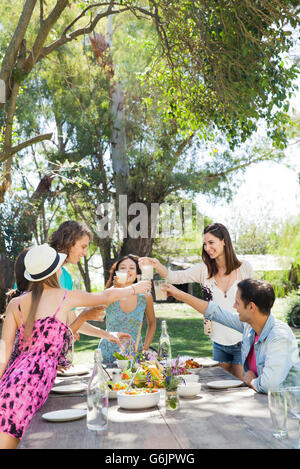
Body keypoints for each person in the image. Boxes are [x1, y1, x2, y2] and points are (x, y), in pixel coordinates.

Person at [0, 244, 151, 449]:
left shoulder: (15, 303)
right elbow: (104, 297)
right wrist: (133, 288)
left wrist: (108, 335)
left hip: (13, 379)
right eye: (60, 265)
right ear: (55, 271)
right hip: (32, 383)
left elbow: (3, 351)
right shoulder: (64, 296)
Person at [139, 223, 254, 379]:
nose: (207, 248)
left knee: (243, 387)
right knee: (222, 387)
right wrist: (156, 265)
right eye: (205, 244)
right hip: (219, 342)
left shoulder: (244, 268)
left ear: (224, 241)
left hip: (243, 341)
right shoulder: (203, 270)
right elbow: (174, 277)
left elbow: (253, 302)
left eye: (211, 242)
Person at [162, 279, 300, 394]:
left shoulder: (279, 337)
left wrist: (250, 380)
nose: (234, 306)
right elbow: (215, 312)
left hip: (286, 412)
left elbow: (270, 385)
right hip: (260, 403)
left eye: (237, 303)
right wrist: (179, 294)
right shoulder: (250, 326)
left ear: (251, 307)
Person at [99, 254, 156, 365]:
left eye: (132, 268)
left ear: (137, 273)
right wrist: (116, 288)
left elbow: (152, 323)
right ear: (116, 273)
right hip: (108, 353)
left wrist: (145, 349)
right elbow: (96, 311)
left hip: (134, 355)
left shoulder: (145, 296)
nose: (127, 271)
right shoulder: (110, 293)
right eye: (123, 268)